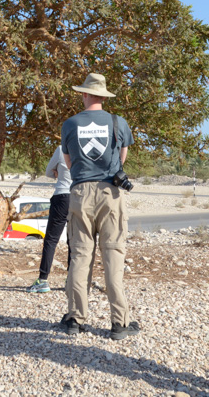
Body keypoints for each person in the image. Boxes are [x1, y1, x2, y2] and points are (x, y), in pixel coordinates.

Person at [61, 72, 140, 340]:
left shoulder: (69, 124)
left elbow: (69, 161)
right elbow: (122, 156)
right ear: (104, 96)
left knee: (80, 257)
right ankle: (119, 323)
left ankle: (75, 319)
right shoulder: (118, 122)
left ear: (84, 94)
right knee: (113, 257)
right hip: (111, 193)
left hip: (80, 192)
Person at [27, 146, 72, 293]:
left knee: (51, 239)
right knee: (74, 240)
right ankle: (71, 280)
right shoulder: (85, 147)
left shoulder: (61, 148)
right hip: (80, 197)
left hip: (62, 195)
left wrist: (57, 173)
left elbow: (48, 172)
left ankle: (43, 279)